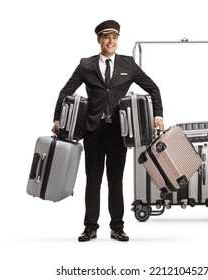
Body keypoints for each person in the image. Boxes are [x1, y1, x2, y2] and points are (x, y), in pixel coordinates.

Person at [52, 20, 164, 242]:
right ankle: (90, 227)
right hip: (93, 131)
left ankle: (117, 227)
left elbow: (153, 88)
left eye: (114, 37)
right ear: (99, 40)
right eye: (106, 37)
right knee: (93, 181)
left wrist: (157, 115)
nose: (110, 41)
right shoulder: (86, 65)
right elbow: (65, 91)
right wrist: (58, 118)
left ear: (117, 40)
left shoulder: (128, 64)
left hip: (119, 133)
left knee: (116, 181)